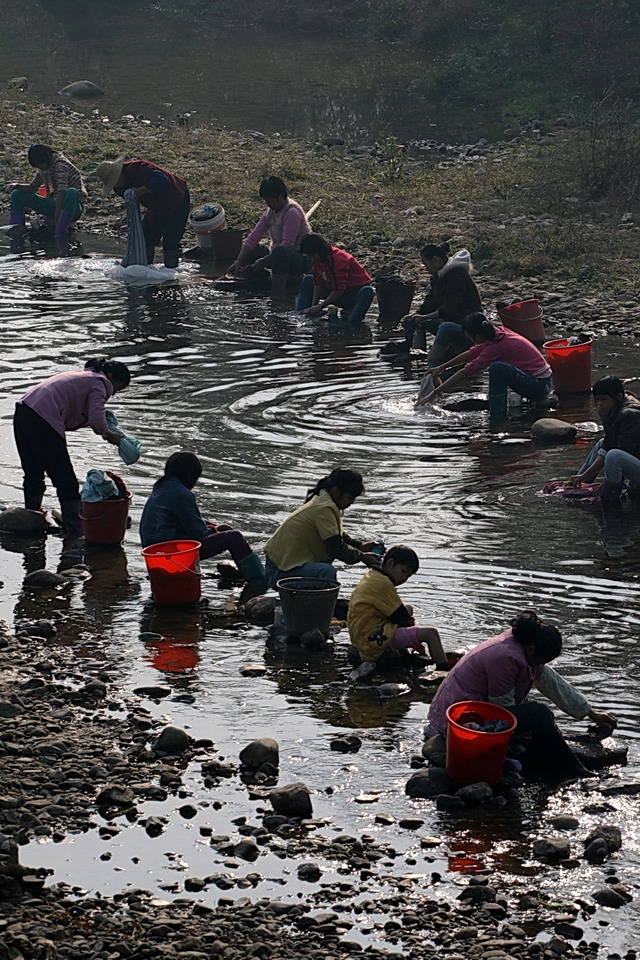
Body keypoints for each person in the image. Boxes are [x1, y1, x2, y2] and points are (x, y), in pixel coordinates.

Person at [426, 610, 617, 779]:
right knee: (539, 713)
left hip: (473, 709)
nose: (540, 666)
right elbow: (502, 708)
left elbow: (553, 684)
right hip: (459, 721)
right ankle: (575, 769)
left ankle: (567, 764)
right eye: (542, 660)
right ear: (532, 649)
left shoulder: (522, 645)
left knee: (543, 716)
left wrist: (591, 713)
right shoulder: (504, 657)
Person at [13, 358, 131, 541]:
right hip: (43, 418)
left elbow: (76, 415)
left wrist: (96, 423)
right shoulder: (100, 383)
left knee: (33, 471)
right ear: (110, 377)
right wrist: (109, 435)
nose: (112, 394)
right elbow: (97, 419)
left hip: (23, 411)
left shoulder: (84, 377)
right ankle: (75, 531)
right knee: (66, 481)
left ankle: (32, 515)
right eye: (117, 389)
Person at [140, 452, 267, 595]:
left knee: (227, 535)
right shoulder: (182, 494)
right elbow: (198, 532)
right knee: (234, 537)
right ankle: (260, 582)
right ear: (190, 475)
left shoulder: (161, 488)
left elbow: (188, 521)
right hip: (173, 552)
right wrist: (219, 531)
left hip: (156, 551)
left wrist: (214, 528)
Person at [417, 313, 552, 417]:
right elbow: (472, 353)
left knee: (497, 368)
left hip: (540, 386)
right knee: (498, 367)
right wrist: (442, 367)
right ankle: (497, 405)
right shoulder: (498, 333)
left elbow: (466, 371)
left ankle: (497, 413)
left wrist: (435, 392)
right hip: (542, 381)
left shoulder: (496, 346)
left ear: (477, 337)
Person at [264, 468, 381, 588]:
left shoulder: (323, 500)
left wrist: (359, 546)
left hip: (285, 566)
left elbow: (337, 536)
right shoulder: (324, 508)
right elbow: (336, 549)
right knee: (326, 572)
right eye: (350, 497)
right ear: (336, 491)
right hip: (279, 571)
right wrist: (362, 557)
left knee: (325, 569)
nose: (351, 503)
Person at [348, 544, 447, 667]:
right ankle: (444, 669)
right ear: (390, 563)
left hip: (361, 635)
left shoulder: (373, 575)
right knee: (431, 634)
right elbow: (401, 618)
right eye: (403, 572)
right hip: (372, 641)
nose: (404, 578)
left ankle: (401, 650)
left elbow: (400, 613)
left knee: (408, 608)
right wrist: (416, 640)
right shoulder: (383, 583)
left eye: (408, 576)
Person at [384, 243, 481, 362]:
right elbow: (430, 302)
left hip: (469, 329)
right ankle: (418, 355)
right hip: (452, 322)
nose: (426, 268)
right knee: (416, 321)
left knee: (445, 327)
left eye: (426, 264)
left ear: (435, 260)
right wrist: (415, 315)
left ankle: (432, 363)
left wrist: (424, 317)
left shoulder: (457, 276)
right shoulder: (438, 276)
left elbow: (450, 308)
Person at [96, 156, 190, 268]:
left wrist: (140, 191)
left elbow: (161, 179)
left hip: (176, 197)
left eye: (116, 180)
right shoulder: (119, 188)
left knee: (170, 240)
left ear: (120, 173)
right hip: (155, 205)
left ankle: (171, 275)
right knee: (147, 236)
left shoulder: (139, 168)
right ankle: (145, 268)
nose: (116, 185)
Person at [228, 176, 310, 294]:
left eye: (270, 200)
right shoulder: (270, 213)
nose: (268, 204)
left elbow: (287, 245)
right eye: (266, 201)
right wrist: (238, 261)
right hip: (276, 255)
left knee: (280, 251)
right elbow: (253, 238)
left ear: (281, 197)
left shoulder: (292, 213)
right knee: (254, 249)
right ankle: (252, 280)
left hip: (296, 259)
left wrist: (263, 261)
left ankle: (277, 292)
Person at [565, 376, 640, 501]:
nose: (600, 403)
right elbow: (608, 444)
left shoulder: (630, 415)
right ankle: (580, 483)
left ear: (619, 397)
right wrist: (584, 476)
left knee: (614, 456)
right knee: (601, 445)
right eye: (597, 399)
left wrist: (607, 483)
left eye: (604, 399)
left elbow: (624, 451)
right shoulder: (610, 410)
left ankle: (610, 496)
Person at [7, 144, 87, 255]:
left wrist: (57, 217)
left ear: (46, 158)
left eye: (39, 165)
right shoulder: (44, 169)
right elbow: (33, 187)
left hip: (71, 206)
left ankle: (60, 232)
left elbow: (62, 191)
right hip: (54, 203)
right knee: (17, 194)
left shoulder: (60, 165)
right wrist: (17, 186)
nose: (39, 168)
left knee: (72, 192)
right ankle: (16, 233)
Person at [296, 233, 375, 325]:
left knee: (367, 291)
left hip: (353, 295)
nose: (312, 259)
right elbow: (318, 283)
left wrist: (321, 306)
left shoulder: (339, 260)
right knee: (308, 280)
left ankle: (353, 320)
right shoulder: (318, 261)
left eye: (312, 255)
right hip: (336, 291)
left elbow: (339, 290)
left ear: (318, 251)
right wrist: (314, 307)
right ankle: (302, 314)